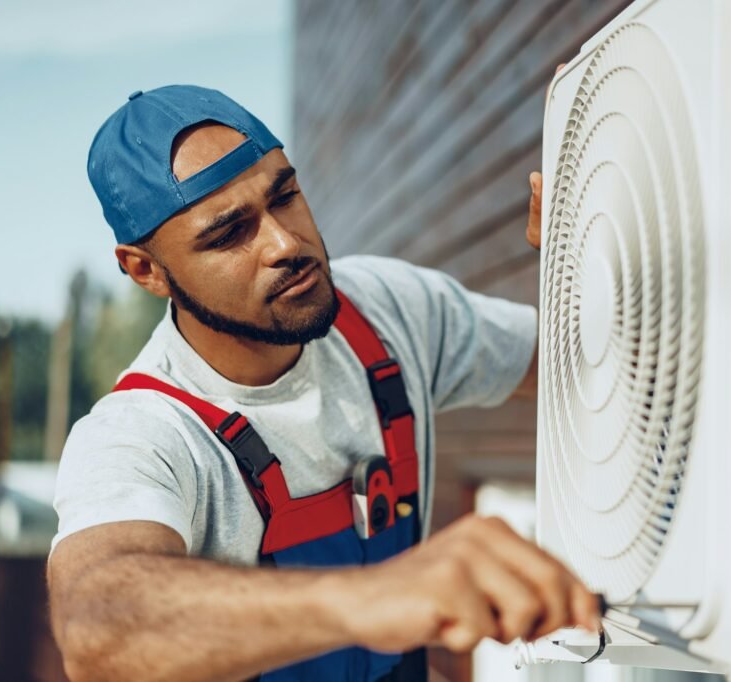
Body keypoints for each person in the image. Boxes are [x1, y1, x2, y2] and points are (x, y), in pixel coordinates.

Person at [46, 84, 600, 682]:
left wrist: (585, 261)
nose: (285, 243)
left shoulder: (388, 311)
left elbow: (595, 364)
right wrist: (371, 598)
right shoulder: (143, 434)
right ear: (146, 270)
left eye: (284, 195)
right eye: (229, 234)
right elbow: (96, 628)